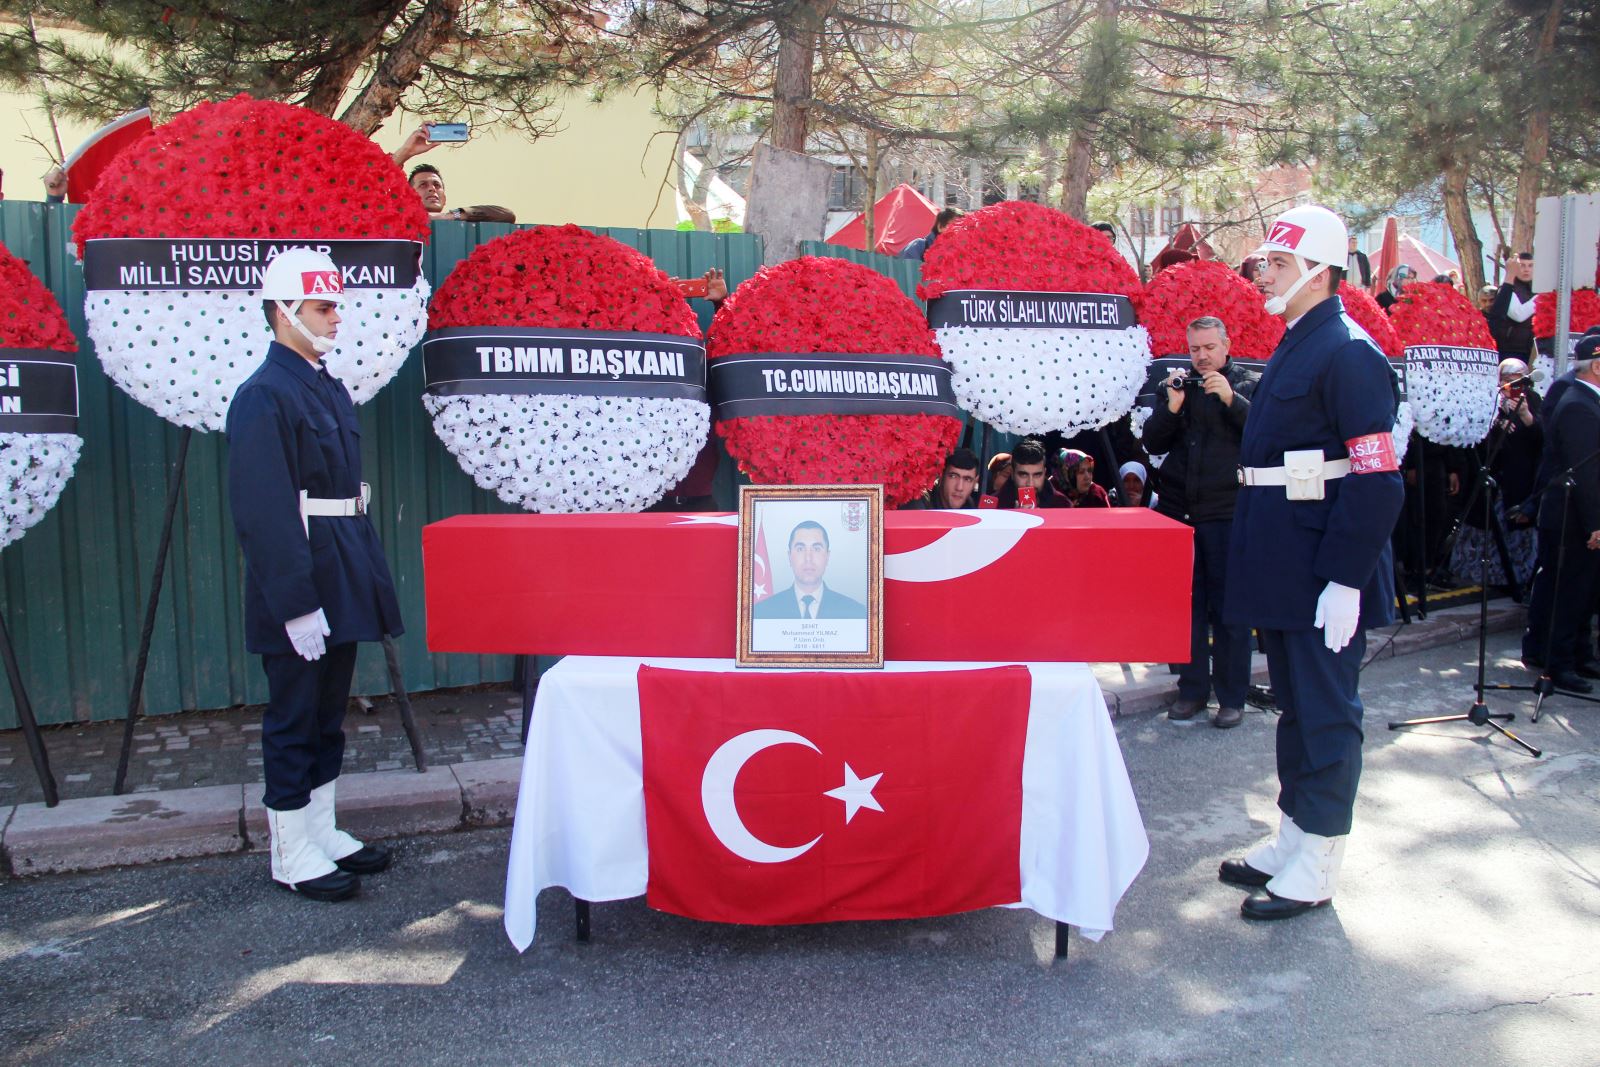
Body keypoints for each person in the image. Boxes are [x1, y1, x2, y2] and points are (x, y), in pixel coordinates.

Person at [1218, 204, 1404, 921]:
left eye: (1280, 263)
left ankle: (1320, 859)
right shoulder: (1300, 341)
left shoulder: (1349, 350)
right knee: (1295, 709)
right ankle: (1295, 836)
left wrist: (1346, 578)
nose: (1264, 273)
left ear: (1320, 273)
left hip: (1322, 564)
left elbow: (1377, 478)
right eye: (1265, 261)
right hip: (1283, 558)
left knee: (1326, 712)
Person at [226, 249, 403, 902]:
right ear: (283, 312)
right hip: (301, 571)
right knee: (294, 713)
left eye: (335, 307)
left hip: (341, 559)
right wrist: (296, 604)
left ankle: (320, 830)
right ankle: (290, 849)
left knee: (328, 712)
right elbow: (264, 511)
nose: (335, 319)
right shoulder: (263, 396)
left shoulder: (324, 385)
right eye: (323, 307)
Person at [1144, 315, 1259, 729]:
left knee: (1230, 609)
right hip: (1181, 513)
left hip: (1227, 513)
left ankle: (1232, 697)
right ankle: (1192, 690)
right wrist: (1172, 407)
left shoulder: (1247, 384)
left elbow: (1263, 437)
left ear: (1226, 345)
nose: (1202, 356)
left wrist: (1232, 400)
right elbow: (1152, 442)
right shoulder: (1178, 386)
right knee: (1186, 607)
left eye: (1209, 347)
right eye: (1195, 349)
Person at [1526, 330, 1600, 692]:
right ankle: (1559, 664)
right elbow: (1586, 474)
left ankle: (1580, 656)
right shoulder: (1578, 406)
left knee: (1585, 592)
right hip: (1573, 517)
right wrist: (1596, 524)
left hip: (1580, 516)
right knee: (1569, 594)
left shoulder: (1588, 400)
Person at [1447, 358, 1541, 592]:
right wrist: (1498, 422)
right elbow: (1474, 438)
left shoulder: (1534, 401)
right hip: (1491, 476)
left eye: (1517, 381)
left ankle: (1515, 578)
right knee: (1484, 527)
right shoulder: (1489, 400)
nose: (1511, 386)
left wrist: (1526, 416)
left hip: (1519, 478)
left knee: (1515, 529)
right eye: (1507, 380)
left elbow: (1542, 440)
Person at [751, 521, 868, 619]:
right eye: (800, 549)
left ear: (827, 557)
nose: (808, 558)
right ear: (789, 557)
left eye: (816, 549)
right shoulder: (762, 612)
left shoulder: (855, 612)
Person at [1487, 252, 1536, 359]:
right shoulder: (1508, 289)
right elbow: (1518, 315)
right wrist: (1540, 297)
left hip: (1529, 348)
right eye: (1522, 265)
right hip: (1509, 350)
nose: (1526, 269)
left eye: (1530, 265)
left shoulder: (1533, 290)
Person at [995, 438, 1067, 508]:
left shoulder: (1063, 505)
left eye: (1037, 475)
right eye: (1023, 475)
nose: (1030, 484)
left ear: (1044, 473)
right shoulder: (993, 506)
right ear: (1012, 474)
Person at [903, 447, 980, 509]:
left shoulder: (976, 509)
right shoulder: (919, 507)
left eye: (967, 479)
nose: (959, 487)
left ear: (975, 482)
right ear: (941, 476)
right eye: (953, 476)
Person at [898, 208, 962, 261]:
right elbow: (908, 269)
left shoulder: (961, 251)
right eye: (953, 225)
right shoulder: (918, 246)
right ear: (939, 226)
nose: (956, 230)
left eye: (961, 227)